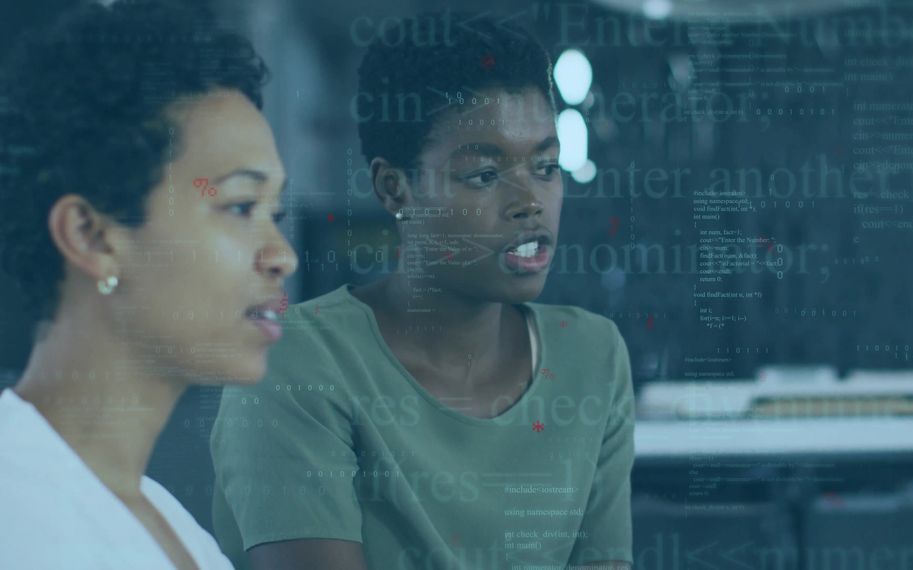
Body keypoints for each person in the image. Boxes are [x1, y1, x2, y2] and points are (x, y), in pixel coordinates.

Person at [210, 11, 635, 570]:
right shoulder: (295, 364)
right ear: (395, 188)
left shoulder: (593, 357)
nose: (529, 200)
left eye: (547, 166)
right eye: (484, 175)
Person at [0, 1, 297, 568]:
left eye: (274, 214)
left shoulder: (172, 526)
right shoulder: (18, 519)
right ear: (92, 236)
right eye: (239, 206)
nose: (282, 255)